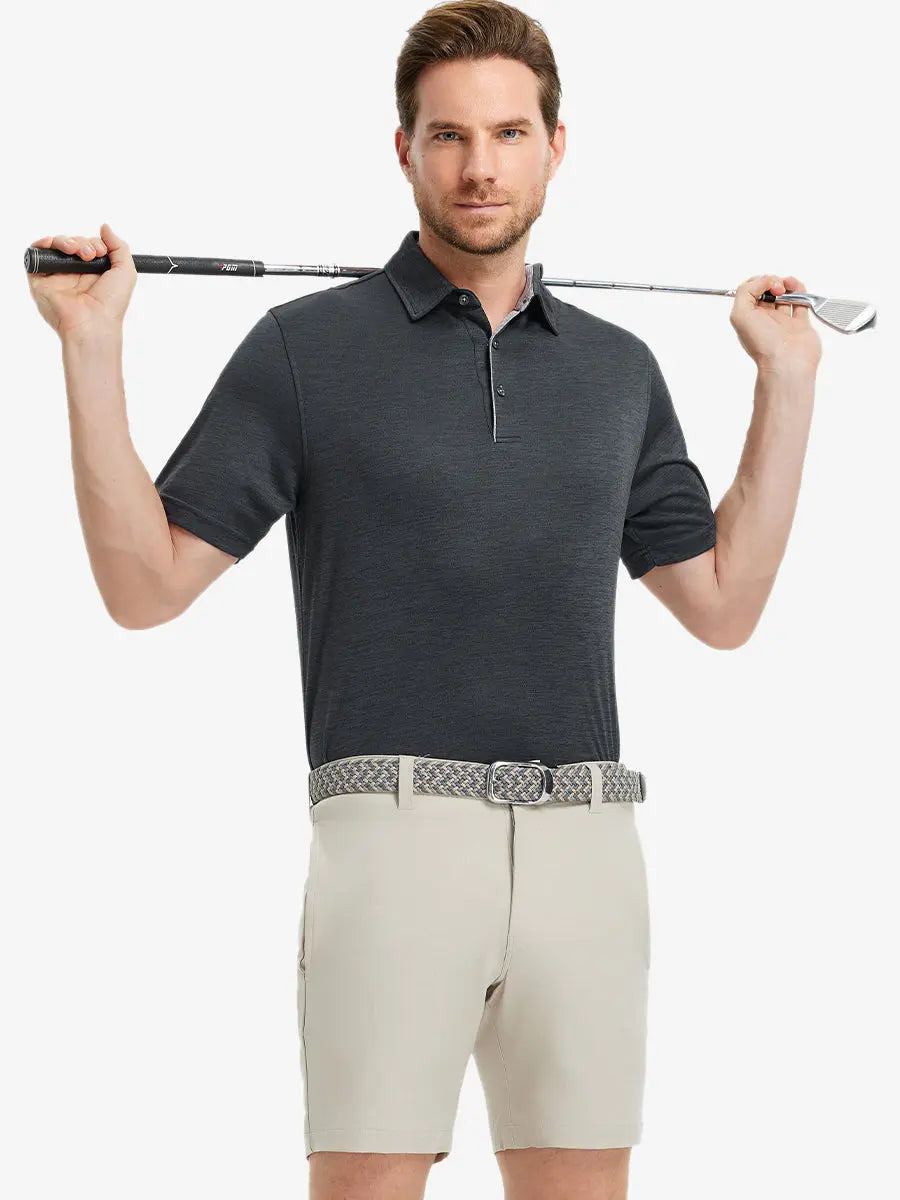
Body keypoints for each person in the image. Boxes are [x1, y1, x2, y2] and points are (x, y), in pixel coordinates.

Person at [27, 3, 822, 1197]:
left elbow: (722, 606)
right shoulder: (305, 350)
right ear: (403, 149)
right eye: (449, 135)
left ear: (558, 145)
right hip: (391, 834)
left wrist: (788, 385)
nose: (480, 167)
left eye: (509, 133)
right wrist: (90, 349)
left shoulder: (618, 370)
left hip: (588, 841)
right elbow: (144, 587)